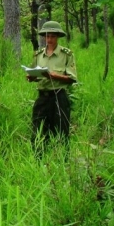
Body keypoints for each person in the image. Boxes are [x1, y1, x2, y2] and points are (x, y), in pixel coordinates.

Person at [26, 21, 77, 154]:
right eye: (47, 36)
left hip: (58, 97)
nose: (49, 39)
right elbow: (35, 73)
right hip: (42, 98)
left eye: (53, 36)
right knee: (38, 130)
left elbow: (72, 78)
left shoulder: (66, 54)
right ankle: (38, 161)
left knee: (61, 131)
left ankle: (63, 161)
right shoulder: (38, 55)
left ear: (58, 37)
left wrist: (54, 75)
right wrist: (31, 77)